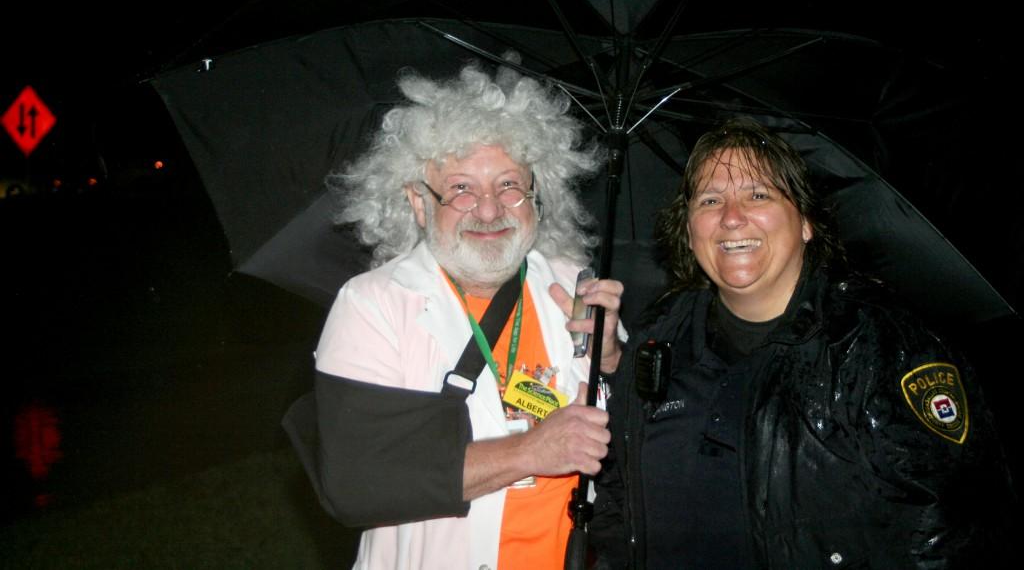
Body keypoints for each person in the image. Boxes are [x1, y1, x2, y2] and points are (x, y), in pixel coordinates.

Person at [590, 118, 1015, 568]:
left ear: (807, 223)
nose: (732, 217)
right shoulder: (661, 336)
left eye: (759, 195)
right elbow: (619, 492)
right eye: (710, 199)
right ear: (689, 228)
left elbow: (955, 534)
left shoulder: (878, 345)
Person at [296, 61, 623, 570]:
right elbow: (355, 484)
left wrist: (613, 361)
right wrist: (530, 451)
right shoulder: (373, 305)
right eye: (462, 189)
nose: (490, 210)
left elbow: (643, 444)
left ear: (539, 194)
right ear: (419, 203)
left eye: (510, 185)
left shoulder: (575, 285)